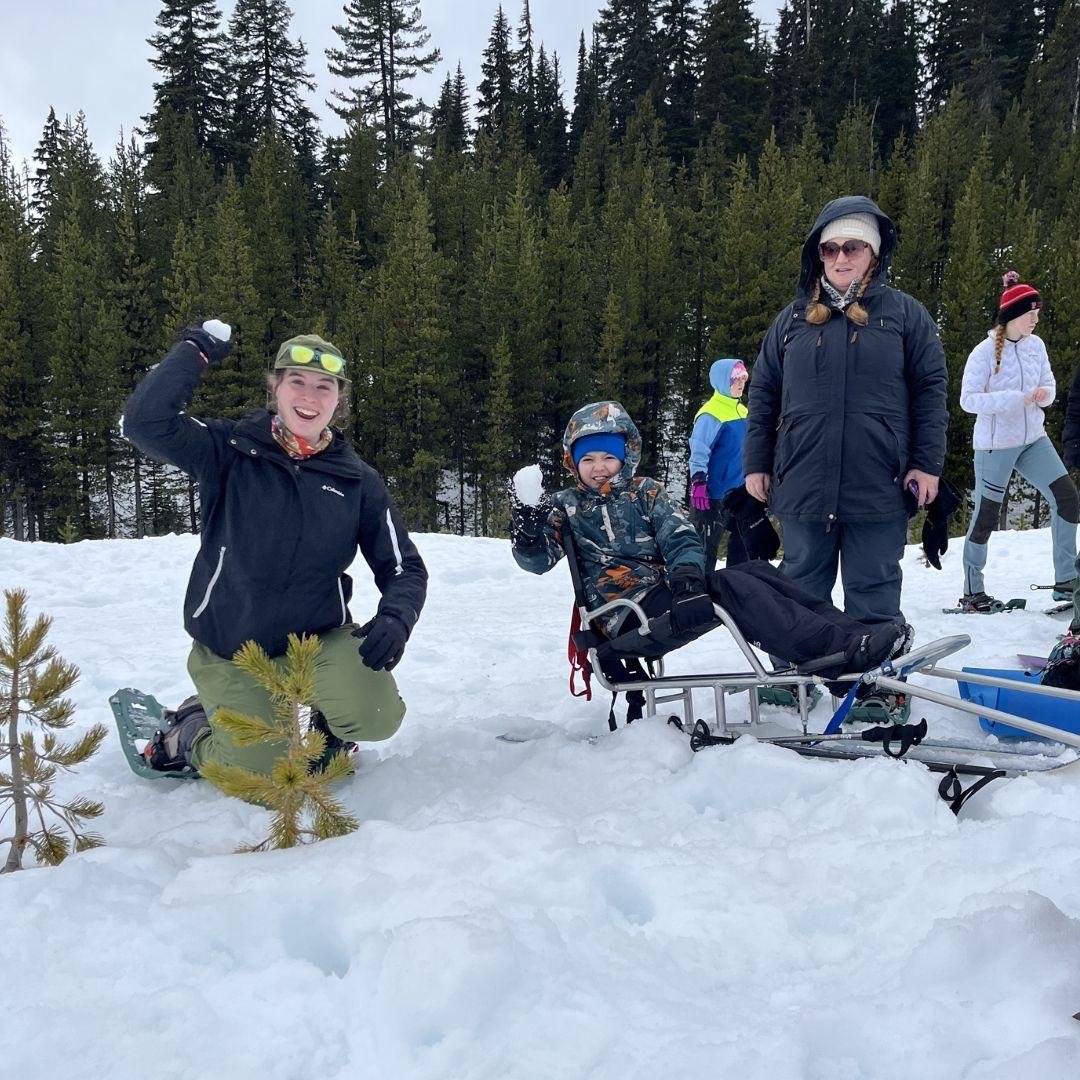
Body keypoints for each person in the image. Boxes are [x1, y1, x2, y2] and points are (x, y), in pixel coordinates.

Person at [121, 322, 428, 784]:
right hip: (232, 647)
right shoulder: (227, 450)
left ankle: (328, 731)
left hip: (316, 643)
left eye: (324, 387)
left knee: (378, 716)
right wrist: (194, 350)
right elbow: (144, 424)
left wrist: (396, 618)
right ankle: (187, 735)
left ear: (338, 400)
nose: (310, 396)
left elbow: (404, 567)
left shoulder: (356, 479)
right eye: (297, 381)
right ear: (275, 388)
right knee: (263, 776)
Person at [510, 401, 912, 685]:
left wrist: (687, 574)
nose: (599, 468)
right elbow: (538, 560)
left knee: (756, 571)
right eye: (588, 459)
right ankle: (839, 655)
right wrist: (527, 533)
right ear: (574, 462)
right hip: (627, 616)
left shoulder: (645, 492)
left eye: (608, 458)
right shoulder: (565, 506)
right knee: (733, 587)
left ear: (625, 458)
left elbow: (679, 534)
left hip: (665, 595)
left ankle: (855, 636)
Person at [743, 196, 948, 626]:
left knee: (874, 594)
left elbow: (930, 391)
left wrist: (926, 464)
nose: (840, 258)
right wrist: (756, 463)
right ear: (818, 254)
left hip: (878, 483)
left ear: (874, 253)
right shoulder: (792, 319)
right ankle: (798, 668)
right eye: (830, 248)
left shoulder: (905, 314)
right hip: (803, 481)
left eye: (853, 247)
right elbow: (763, 392)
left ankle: (875, 669)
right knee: (798, 596)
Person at [957, 272, 1078, 610]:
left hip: (1033, 440)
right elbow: (968, 400)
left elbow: (1049, 385)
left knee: (1067, 499)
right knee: (986, 516)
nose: (1035, 320)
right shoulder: (983, 353)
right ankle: (972, 592)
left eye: (1037, 313)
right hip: (995, 445)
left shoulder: (1036, 346)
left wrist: (1044, 395)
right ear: (1012, 316)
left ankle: (1067, 582)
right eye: (1030, 314)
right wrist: (1011, 398)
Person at [688, 358, 750, 569]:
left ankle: (737, 584)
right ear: (723, 381)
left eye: (744, 378)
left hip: (740, 493)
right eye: (735, 379)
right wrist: (698, 482)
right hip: (713, 496)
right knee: (704, 550)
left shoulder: (743, 411)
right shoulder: (710, 414)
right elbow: (699, 450)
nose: (741, 383)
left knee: (744, 548)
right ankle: (700, 586)